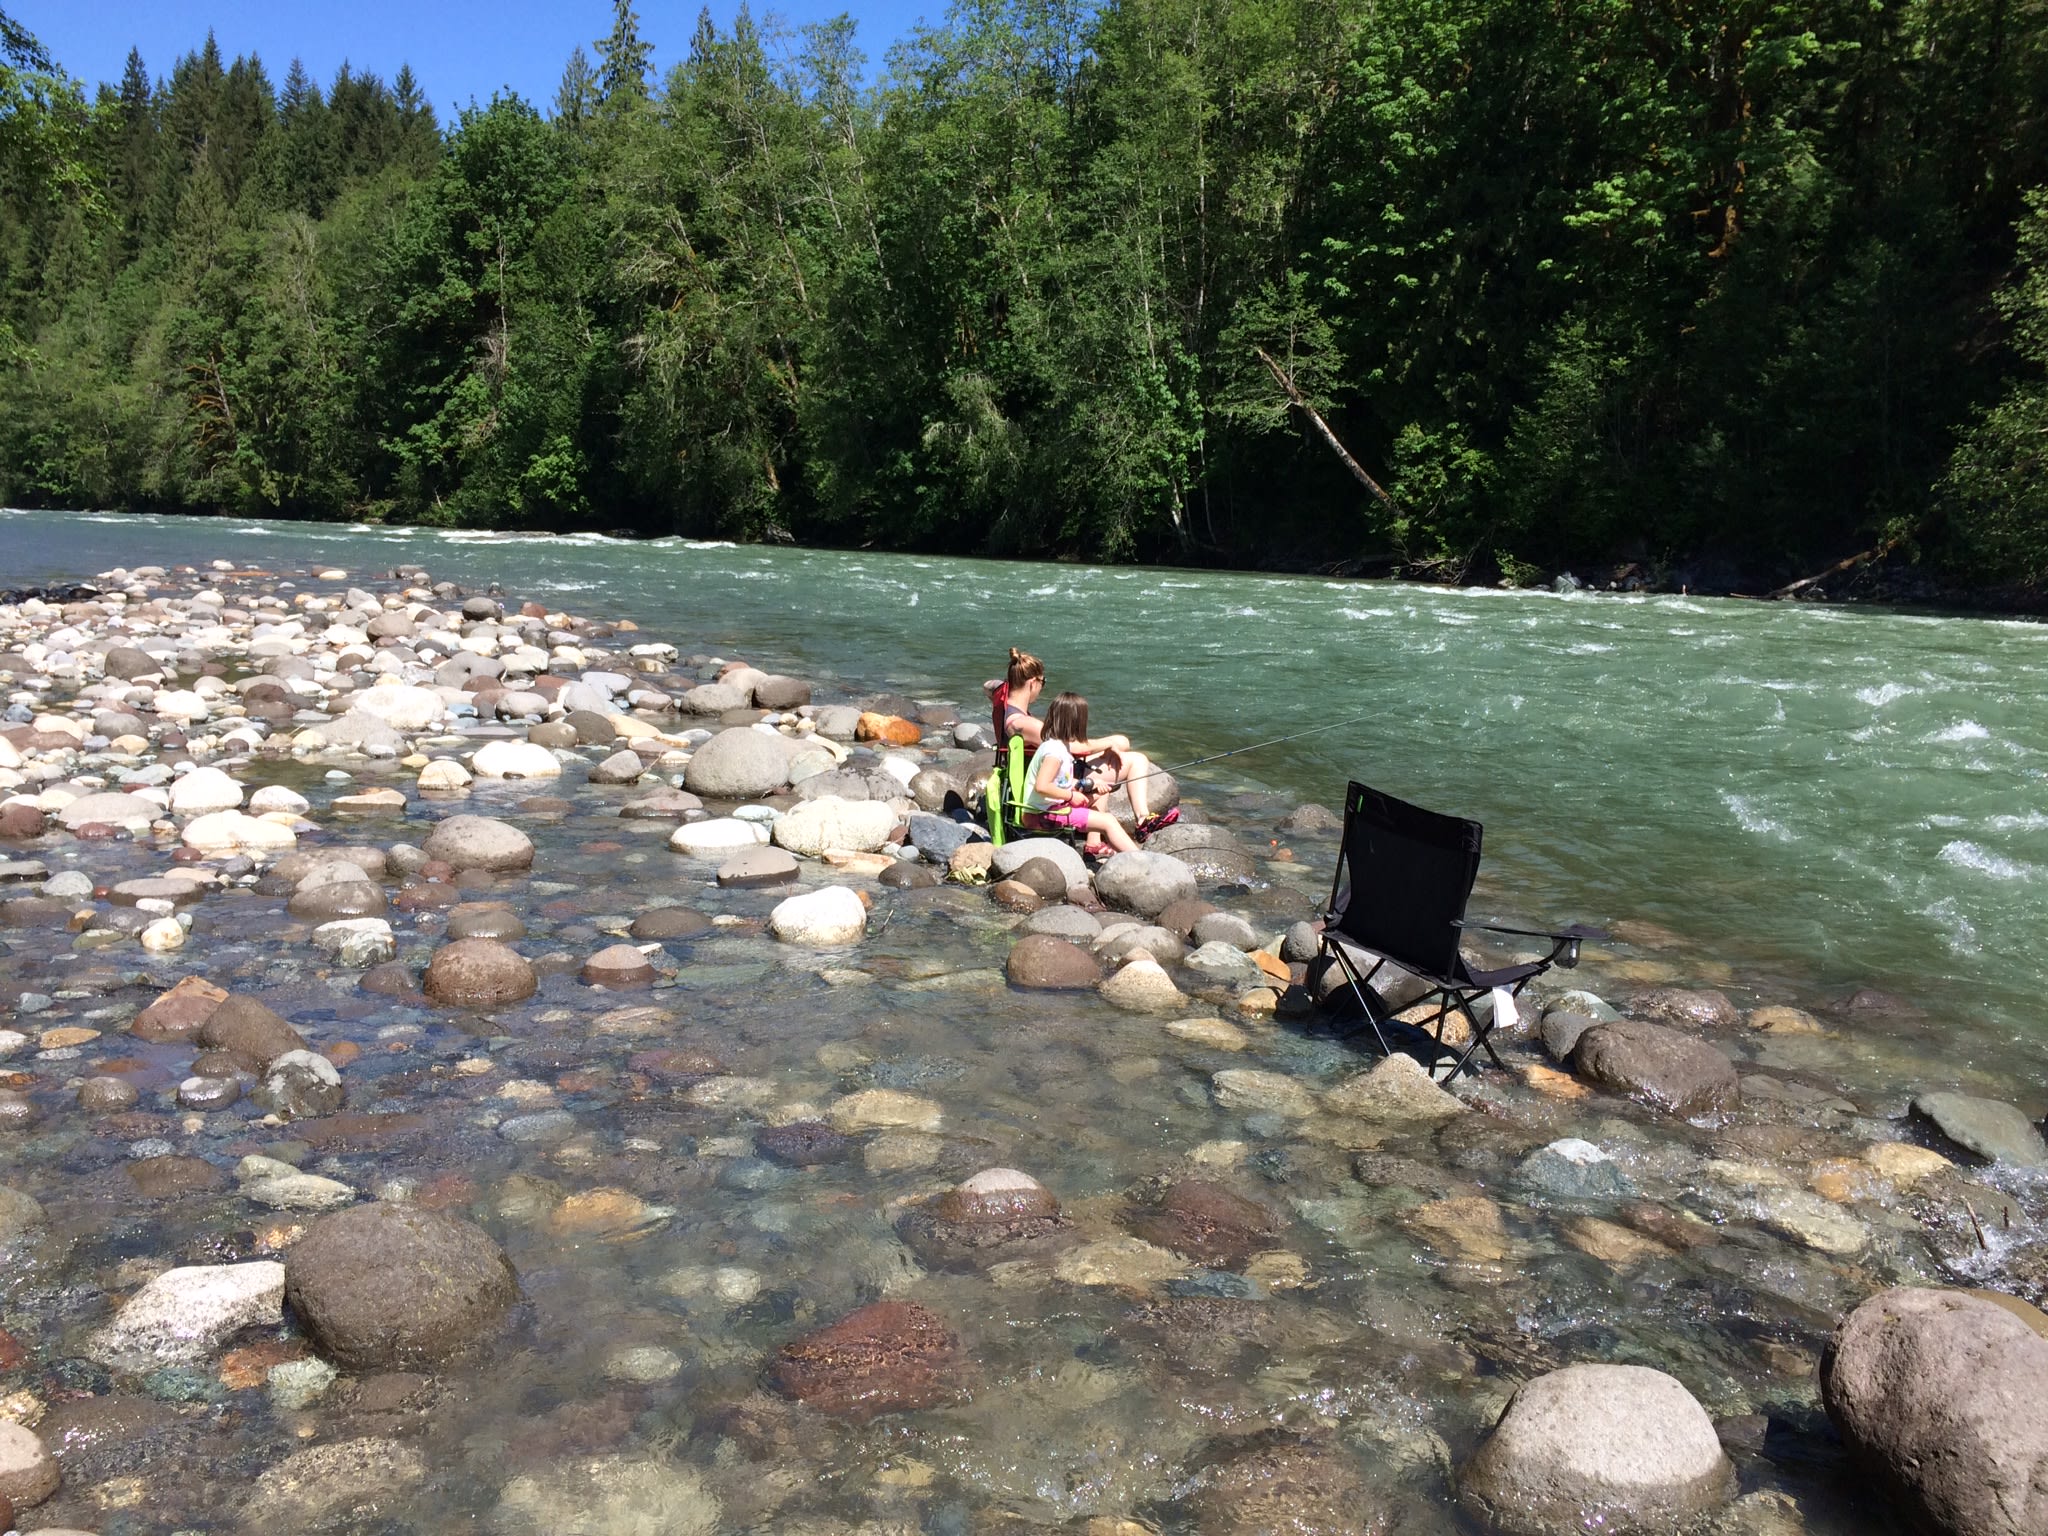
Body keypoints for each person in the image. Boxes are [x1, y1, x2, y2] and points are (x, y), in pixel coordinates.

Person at [985, 648, 1179, 839]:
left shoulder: (1002, 702)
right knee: (1136, 760)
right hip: (1055, 780)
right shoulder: (1024, 724)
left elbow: (988, 685)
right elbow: (1077, 748)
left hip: (1049, 772)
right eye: (1043, 682)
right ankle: (1143, 821)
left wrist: (1004, 686)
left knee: (1114, 764)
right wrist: (1113, 741)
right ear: (1032, 682)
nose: (1043, 687)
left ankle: (1095, 842)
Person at [1020, 692, 1138, 853]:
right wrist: (1071, 796)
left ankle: (1093, 845)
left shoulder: (1059, 746)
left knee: (1100, 794)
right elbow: (1042, 786)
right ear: (1076, 722)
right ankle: (1142, 861)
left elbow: (1059, 781)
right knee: (1108, 821)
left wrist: (1089, 784)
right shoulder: (1054, 752)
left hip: (1051, 808)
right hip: (1042, 815)